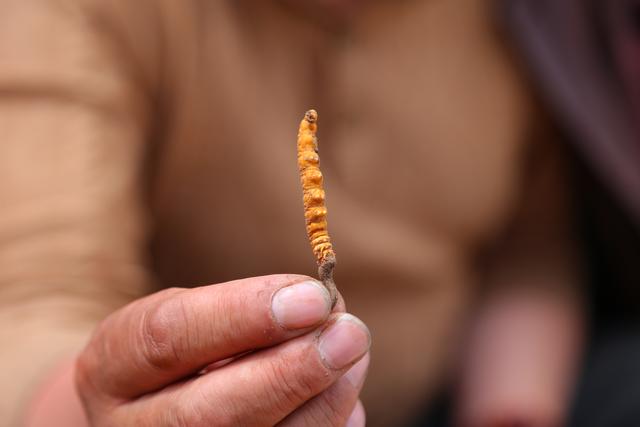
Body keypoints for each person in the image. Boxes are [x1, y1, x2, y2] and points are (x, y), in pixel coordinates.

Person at [0, 1, 586, 426]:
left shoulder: (525, 24)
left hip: (448, 390)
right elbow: (31, 306)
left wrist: (512, 404)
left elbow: (529, 240)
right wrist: (101, 406)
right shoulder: (83, 17)